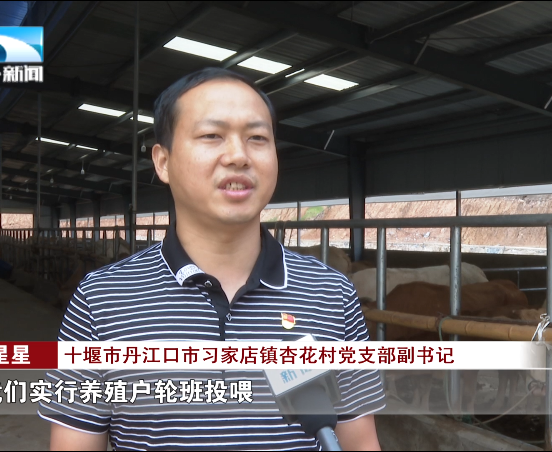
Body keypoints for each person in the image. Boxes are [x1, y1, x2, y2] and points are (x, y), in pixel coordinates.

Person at [39, 68, 386, 451]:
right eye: (211, 136)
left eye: (257, 138)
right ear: (163, 162)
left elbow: (359, 442)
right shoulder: (101, 299)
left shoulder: (331, 294)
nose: (238, 156)